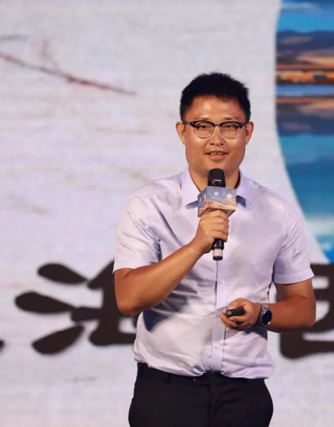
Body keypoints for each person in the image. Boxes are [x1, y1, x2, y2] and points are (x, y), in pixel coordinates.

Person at [113, 72, 316, 427]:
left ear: (248, 132)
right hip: (166, 393)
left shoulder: (277, 211)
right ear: (182, 132)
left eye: (230, 127)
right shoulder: (149, 204)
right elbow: (129, 298)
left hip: (244, 396)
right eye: (203, 126)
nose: (217, 140)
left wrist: (261, 314)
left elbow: (303, 307)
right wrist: (197, 244)